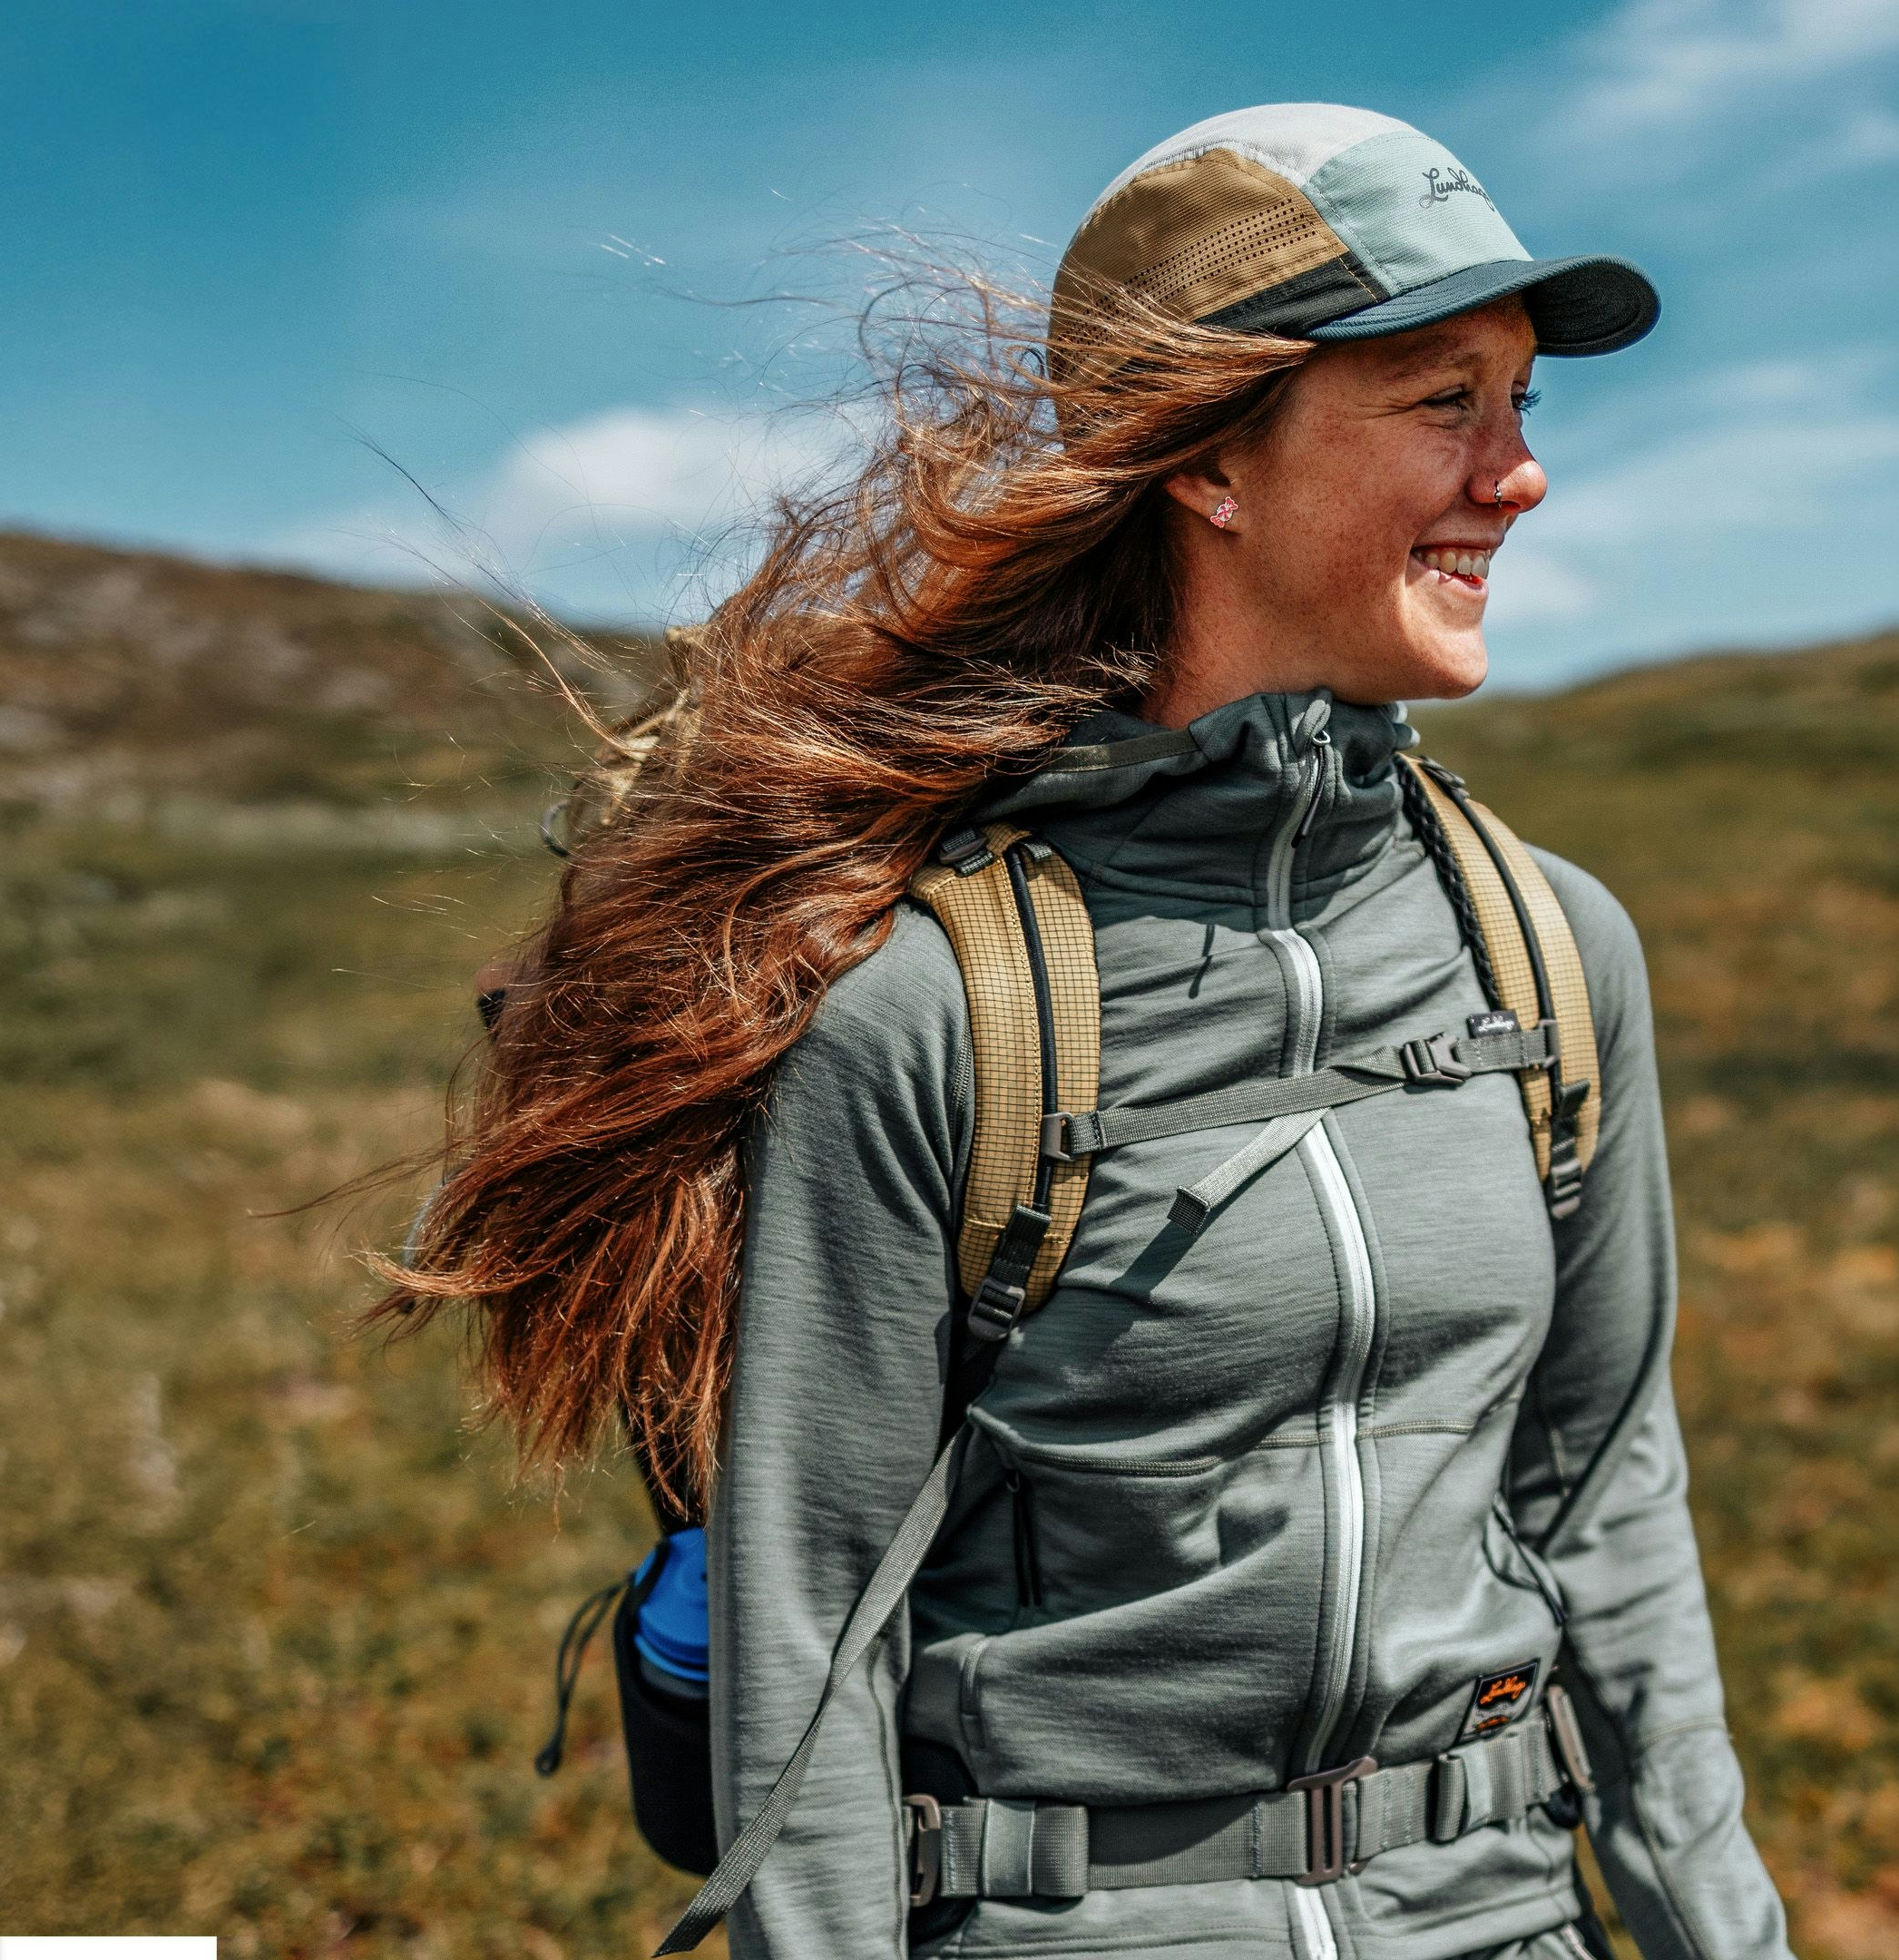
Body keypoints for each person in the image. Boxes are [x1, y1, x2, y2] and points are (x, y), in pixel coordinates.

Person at [379, 103, 1794, 1960]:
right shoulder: (934, 1017)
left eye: (1527, 406)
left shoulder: (1544, 953)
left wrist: (1724, 1929)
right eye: (1444, 401)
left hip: (1507, 1916)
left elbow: (1607, 1501)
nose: (1516, 474)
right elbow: (813, 1656)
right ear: (1207, 460)